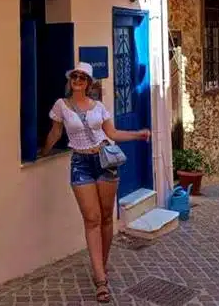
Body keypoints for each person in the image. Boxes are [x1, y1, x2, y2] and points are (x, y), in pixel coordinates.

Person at [39, 62, 151, 304]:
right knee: (92, 219)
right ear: (71, 80)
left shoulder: (99, 107)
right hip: (80, 164)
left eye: (83, 77)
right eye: (75, 76)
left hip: (105, 161)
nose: (78, 79)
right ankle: (100, 278)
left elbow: (112, 133)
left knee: (107, 218)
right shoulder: (62, 105)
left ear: (89, 83)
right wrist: (43, 151)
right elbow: (56, 133)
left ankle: (101, 263)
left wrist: (138, 134)